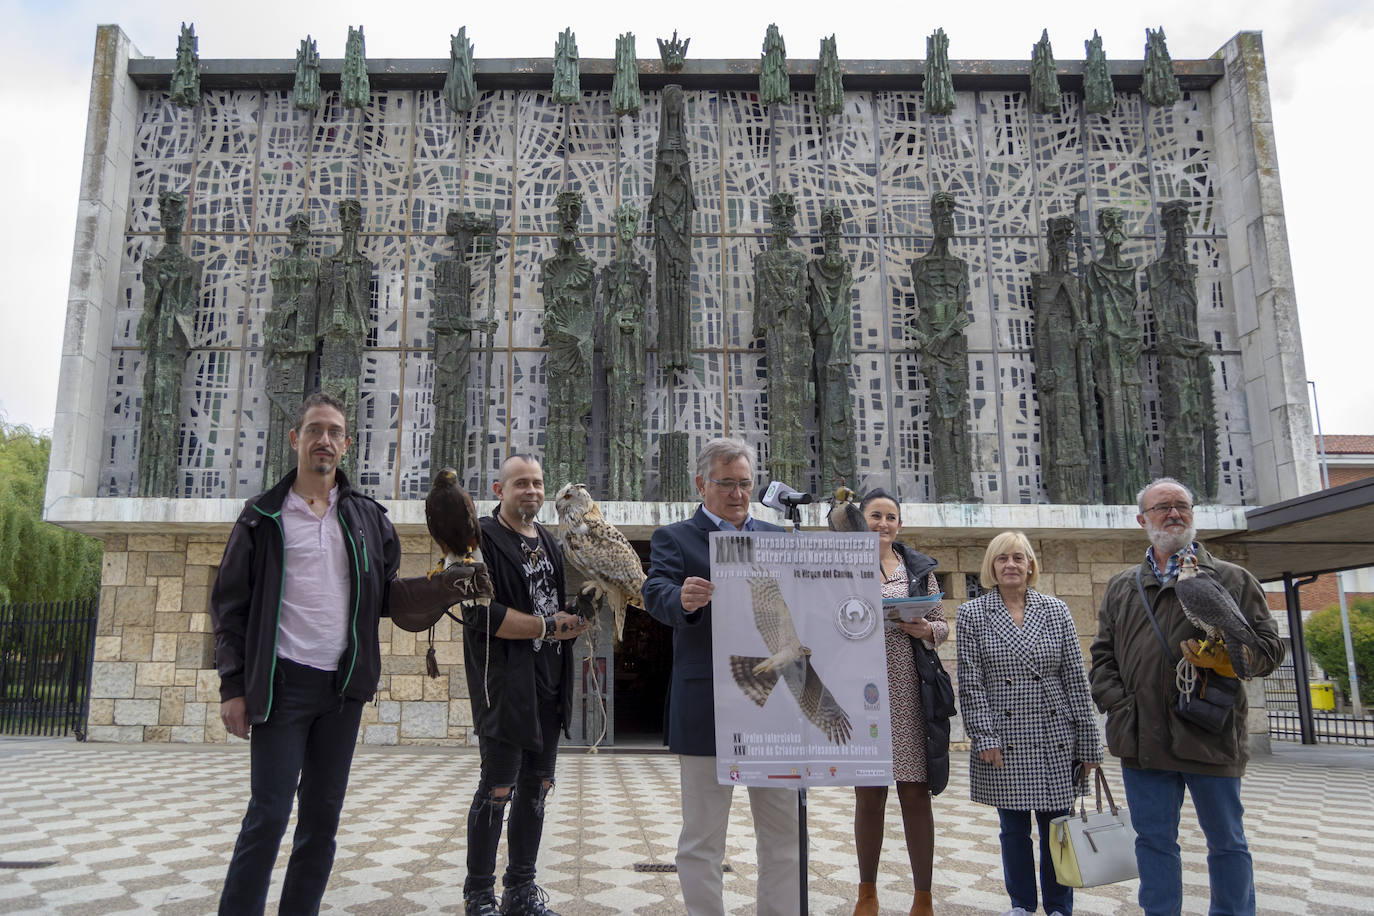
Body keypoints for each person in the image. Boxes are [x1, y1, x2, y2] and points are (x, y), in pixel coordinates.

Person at [212, 391, 487, 915]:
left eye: (335, 432)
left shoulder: (367, 519)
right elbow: (230, 606)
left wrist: (447, 586)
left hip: (341, 691)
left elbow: (386, 599)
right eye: (315, 429)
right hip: (281, 686)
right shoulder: (261, 517)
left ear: (347, 445)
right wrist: (233, 687)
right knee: (268, 815)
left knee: (321, 823)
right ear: (296, 439)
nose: (325, 440)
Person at [1089, 477, 1283, 916]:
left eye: (1182, 505)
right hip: (1143, 737)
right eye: (1162, 508)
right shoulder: (1123, 586)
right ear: (1143, 520)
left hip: (1210, 732)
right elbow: (1102, 656)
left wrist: (1226, 662)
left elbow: (1270, 650)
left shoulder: (1232, 578)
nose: (1174, 513)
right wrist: (1120, 706)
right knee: (1154, 843)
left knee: (1227, 842)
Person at [641, 437, 800, 916]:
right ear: (700, 484)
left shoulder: (778, 539)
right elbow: (656, 591)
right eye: (725, 483)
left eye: (745, 483)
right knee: (703, 837)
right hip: (708, 707)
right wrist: (681, 599)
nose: (737, 493)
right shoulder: (676, 537)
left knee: (784, 834)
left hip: (774, 708)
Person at [461, 454, 590, 916]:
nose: (531, 491)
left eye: (537, 483)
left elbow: (554, 608)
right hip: (504, 686)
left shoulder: (551, 543)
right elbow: (477, 613)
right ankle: (479, 895)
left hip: (549, 685)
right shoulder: (479, 538)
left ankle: (520, 892)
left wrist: (577, 615)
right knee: (497, 789)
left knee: (537, 789)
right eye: (521, 484)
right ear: (500, 490)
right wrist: (545, 627)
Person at [955, 531, 1101, 916]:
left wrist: (1089, 745)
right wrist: (983, 735)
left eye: (1018, 558)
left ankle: (1058, 906)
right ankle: (1022, 904)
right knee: (1013, 831)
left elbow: (1075, 677)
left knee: (1059, 829)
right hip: (1005, 738)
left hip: (1056, 734)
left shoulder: (1055, 610)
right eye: (1002, 559)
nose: (1011, 565)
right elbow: (970, 681)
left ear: (1031, 565)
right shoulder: (973, 614)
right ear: (991, 567)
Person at [851, 489, 947, 916]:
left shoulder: (919, 570)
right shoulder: (845, 567)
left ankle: (922, 896)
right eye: (875, 516)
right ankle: (867, 892)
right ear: (861, 520)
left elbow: (942, 625)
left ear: (899, 525)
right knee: (869, 796)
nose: (883, 524)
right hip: (862, 692)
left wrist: (926, 629)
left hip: (910, 690)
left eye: (890, 517)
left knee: (914, 794)